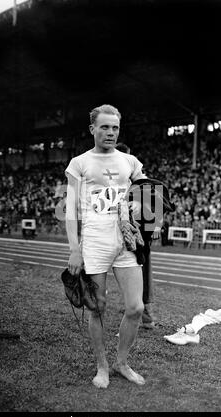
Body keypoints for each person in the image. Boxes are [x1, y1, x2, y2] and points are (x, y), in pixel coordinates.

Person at [65, 104, 147, 389]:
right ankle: (102, 366)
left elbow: (150, 194)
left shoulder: (130, 161)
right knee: (97, 308)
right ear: (93, 129)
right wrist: (75, 248)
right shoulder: (79, 163)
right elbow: (71, 210)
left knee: (136, 307)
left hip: (124, 240)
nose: (110, 132)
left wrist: (142, 205)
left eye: (115, 128)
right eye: (105, 127)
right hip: (95, 241)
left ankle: (121, 362)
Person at [115, 142, 160, 328]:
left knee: (141, 268)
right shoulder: (113, 177)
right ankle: (133, 306)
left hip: (139, 231)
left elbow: (155, 196)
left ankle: (146, 315)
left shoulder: (136, 174)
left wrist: (156, 225)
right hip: (118, 230)